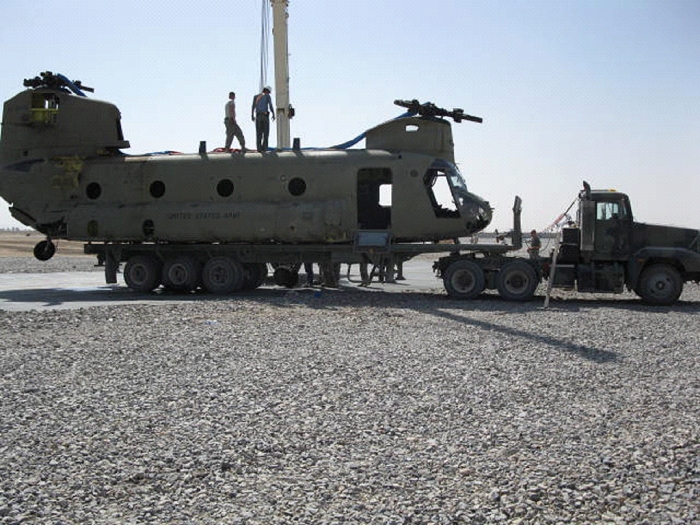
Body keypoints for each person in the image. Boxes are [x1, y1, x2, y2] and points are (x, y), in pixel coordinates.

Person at [251, 86, 275, 152]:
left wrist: (252, 115)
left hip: (258, 116)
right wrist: (273, 114)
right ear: (267, 91)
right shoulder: (267, 96)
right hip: (264, 116)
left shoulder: (256, 96)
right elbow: (270, 105)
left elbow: (253, 106)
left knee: (259, 133)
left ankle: (259, 148)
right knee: (266, 133)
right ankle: (264, 148)